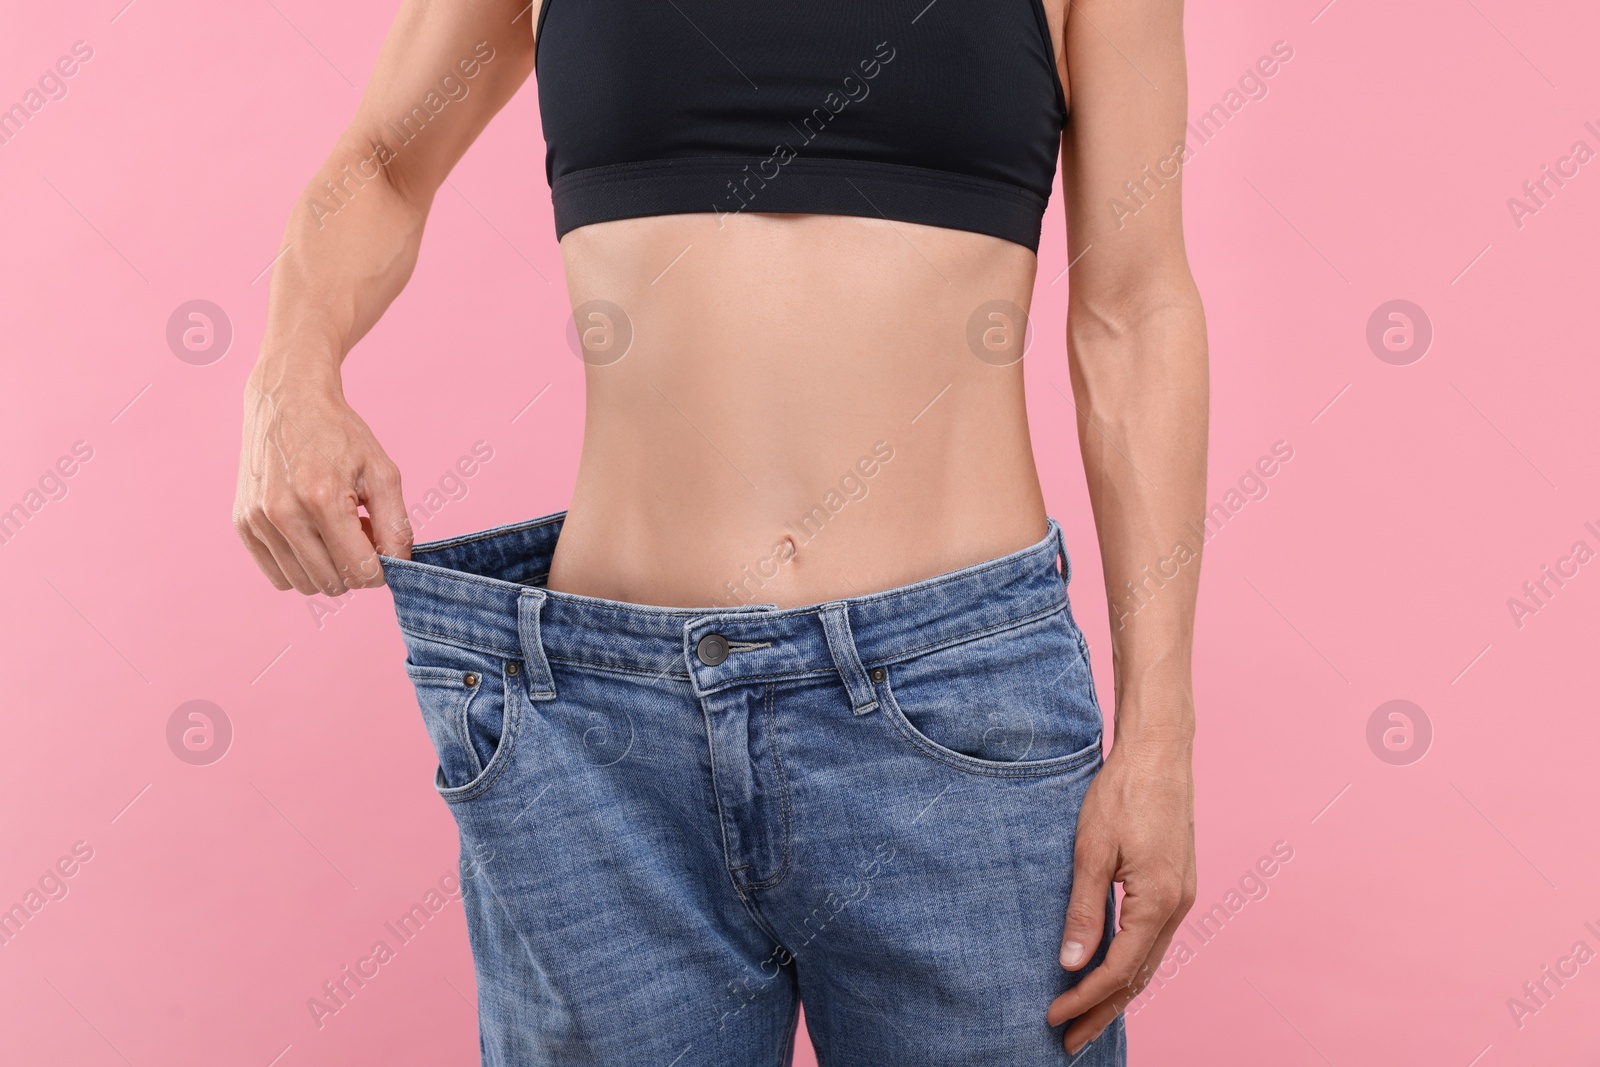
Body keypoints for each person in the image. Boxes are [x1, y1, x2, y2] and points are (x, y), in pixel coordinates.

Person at [233, 0, 1205, 1062]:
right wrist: (290, 370)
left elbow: (1132, 308)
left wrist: (1158, 730)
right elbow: (381, 159)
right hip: (597, 740)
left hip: (955, 720)